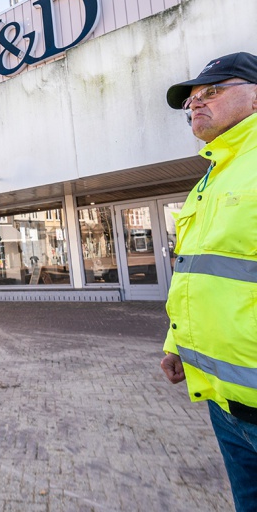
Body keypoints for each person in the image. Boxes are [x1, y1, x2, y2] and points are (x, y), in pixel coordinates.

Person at [160, 52, 257, 511]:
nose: (196, 104)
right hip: (223, 402)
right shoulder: (212, 177)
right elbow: (197, 273)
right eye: (192, 99)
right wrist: (178, 343)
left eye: (213, 92)